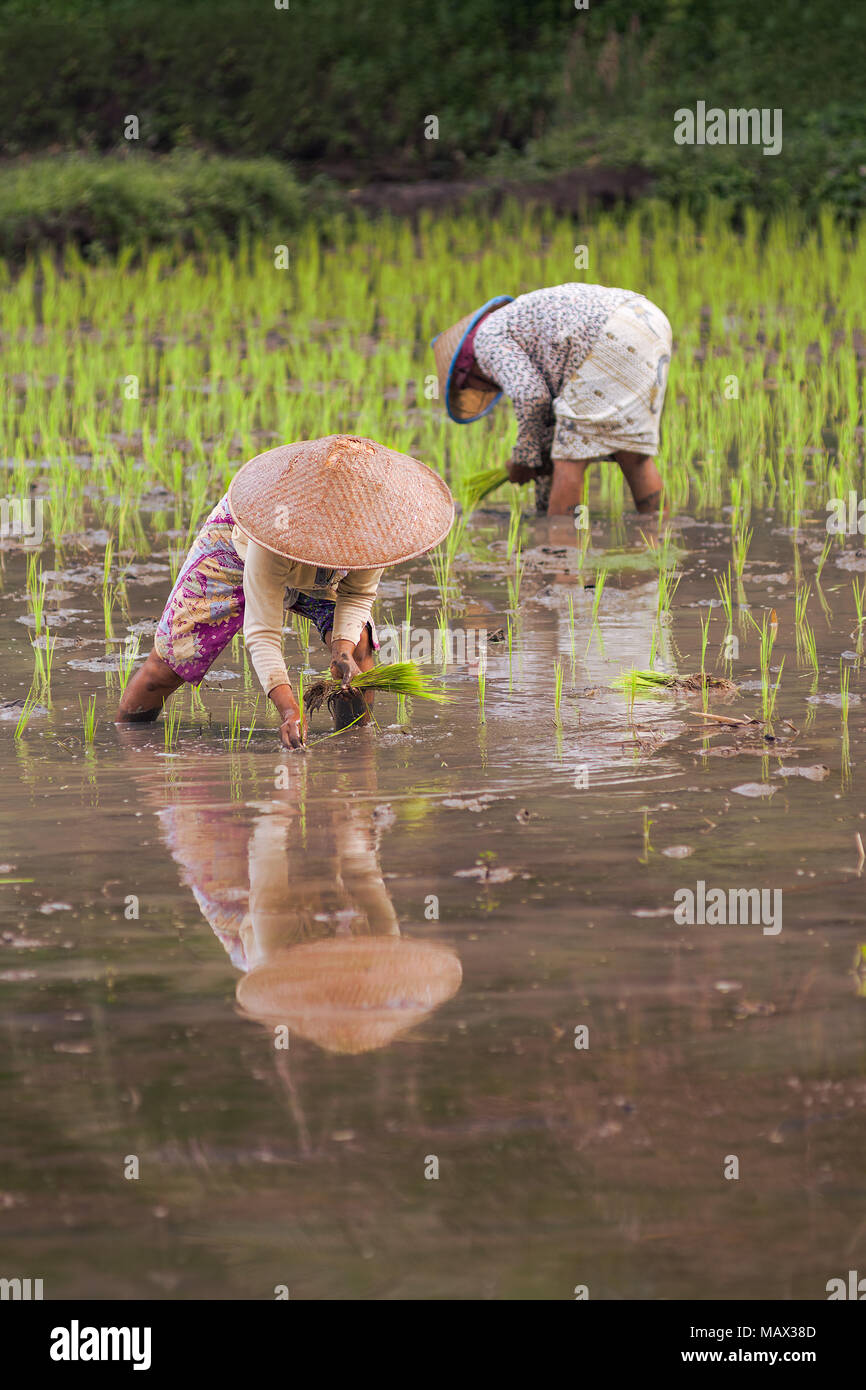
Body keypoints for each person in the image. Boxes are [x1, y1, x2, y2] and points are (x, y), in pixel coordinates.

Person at [117, 434, 454, 748]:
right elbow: (262, 631)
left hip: (320, 576)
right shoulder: (273, 529)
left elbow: (357, 596)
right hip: (236, 553)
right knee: (165, 669)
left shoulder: (375, 531)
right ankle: (124, 741)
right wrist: (290, 710)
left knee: (360, 649)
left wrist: (342, 651)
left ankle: (353, 755)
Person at [432, 284, 672, 515]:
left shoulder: (485, 340)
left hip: (607, 334)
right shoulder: (513, 325)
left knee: (569, 458)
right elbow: (547, 412)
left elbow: (531, 395)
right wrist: (540, 462)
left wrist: (524, 459)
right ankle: (660, 540)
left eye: (468, 387)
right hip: (647, 319)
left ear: (466, 370)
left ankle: (560, 550)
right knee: (632, 455)